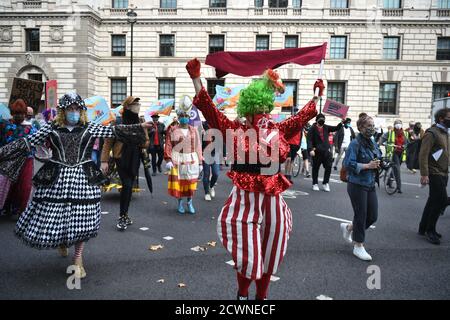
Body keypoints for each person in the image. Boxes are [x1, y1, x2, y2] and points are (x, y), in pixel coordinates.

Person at [187, 58, 319, 300]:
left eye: (264, 110)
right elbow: (210, 111)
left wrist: (317, 97)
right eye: (257, 110)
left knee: (273, 246)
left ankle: (262, 296)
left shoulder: (278, 128)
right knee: (250, 255)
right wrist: (196, 79)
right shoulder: (233, 128)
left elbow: (301, 118)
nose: (261, 114)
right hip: (244, 197)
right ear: (247, 108)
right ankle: (243, 294)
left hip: (273, 194)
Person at [0, 92, 152, 278]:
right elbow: (27, 142)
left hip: (83, 177)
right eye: (70, 109)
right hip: (57, 178)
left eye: (77, 109)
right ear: (63, 111)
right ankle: (63, 242)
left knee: (83, 219)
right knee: (59, 215)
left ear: (81, 110)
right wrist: (3, 152)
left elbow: (113, 131)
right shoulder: (51, 128)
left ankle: (78, 258)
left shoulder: (89, 127)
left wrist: (140, 127)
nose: (73, 112)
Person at [101, 96, 150, 231]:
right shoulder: (117, 121)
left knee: (128, 186)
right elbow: (107, 142)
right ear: (127, 107)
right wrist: (104, 161)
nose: (138, 106)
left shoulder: (141, 121)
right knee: (127, 184)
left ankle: (125, 215)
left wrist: (143, 140)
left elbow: (146, 142)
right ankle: (122, 216)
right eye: (135, 104)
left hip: (135, 157)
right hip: (120, 156)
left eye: (138, 104)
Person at [341, 115, 382, 261]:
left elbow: (378, 155)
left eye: (372, 125)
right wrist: (367, 166)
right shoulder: (355, 143)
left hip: (370, 183)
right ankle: (358, 246)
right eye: (368, 126)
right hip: (357, 184)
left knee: (373, 216)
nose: (371, 128)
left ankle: (349, 228)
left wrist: (379, 162)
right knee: (361, 215)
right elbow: (348, 163)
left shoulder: (372, 141)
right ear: (360, 128)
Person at [164, 96, 203, 214]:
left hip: (191, 158)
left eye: (186, 116)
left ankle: (190, 202)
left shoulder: (194, 130)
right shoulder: (172, 129)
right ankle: (180, 202)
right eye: (182, 116)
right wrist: (168, 159)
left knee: (191, 182)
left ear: (189, 117)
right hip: (177, 158)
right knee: (180, 182)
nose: (184, 118)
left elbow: (197, 146)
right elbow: (168, 144)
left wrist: (200, 162)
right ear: (179, 117)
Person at [0, 99, 38, 216]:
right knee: (8, 185)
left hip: (27, 160)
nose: (18, 116)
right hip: (9, 161)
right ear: (12, 113)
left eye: (21, 113)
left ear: (25, 114)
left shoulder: (31, 128)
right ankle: (7, 207)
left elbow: (37, 142)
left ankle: (23, 210)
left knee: (25, 186)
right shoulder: (5, 126)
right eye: (16, 113)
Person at [418, 108, 450, 245]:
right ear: (441, 118)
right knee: (440, 200)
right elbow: (423, 154)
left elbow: (445, 153)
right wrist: (424, 174)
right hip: (434, 172)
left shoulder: (445, 133)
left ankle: (422, 227)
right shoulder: (432, 133)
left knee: (433, 200)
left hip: (443, 172)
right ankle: (430, 230)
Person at [307, 114, 343, 192]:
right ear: (317, 120)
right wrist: (310, 150)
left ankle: (326, 183)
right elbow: (309, 140)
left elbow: (336, 128)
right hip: (316, 152)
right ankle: (315, 183)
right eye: (320, 119)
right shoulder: (312, 128)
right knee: (315, 168)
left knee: (328, 167)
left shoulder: (326, 127)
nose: (322, 121)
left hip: (326, 152)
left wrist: (341, 122)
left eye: (323, 119)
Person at [382, 120, 409, 194]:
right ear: (394, 125)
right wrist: (384, 143)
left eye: (399, 124)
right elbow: (382, 140)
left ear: (402, 125)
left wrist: (405, 146)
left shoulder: (405, 133)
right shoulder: (390, 133)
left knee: (395, 169)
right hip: (394, 153)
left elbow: (408, 143)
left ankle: (388, 182)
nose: (398, 125)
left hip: (402, 153)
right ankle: (399, 187)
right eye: (396, 124)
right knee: (397, 169)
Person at [201, 121, 220, 201]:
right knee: (206, 174)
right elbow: (199, 145)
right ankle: (207, 193)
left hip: (215, 155)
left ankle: (211, 187)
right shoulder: (203, 133)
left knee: (216, 173)